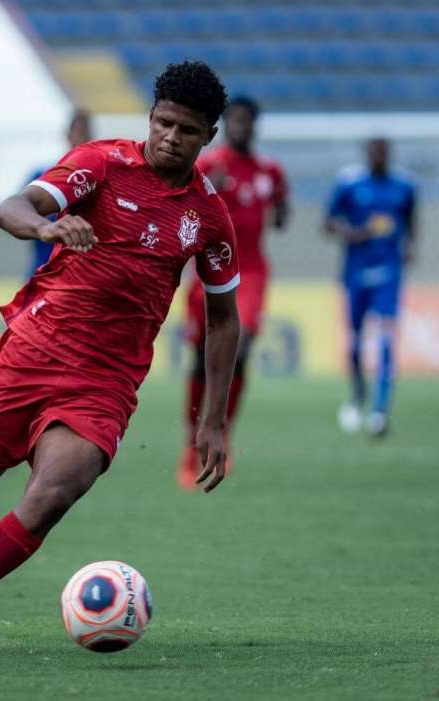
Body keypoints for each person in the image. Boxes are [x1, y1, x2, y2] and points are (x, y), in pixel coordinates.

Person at [0, 61, 240, 656]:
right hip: (31, 354)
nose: (170, 138)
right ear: (150, 117)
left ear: (208, 136)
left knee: (55, 493)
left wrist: (212, 420)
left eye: (186, 130)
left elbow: (224, 319)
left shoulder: (207, 216)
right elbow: (12, 206)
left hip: (104, 383)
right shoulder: (102, 163)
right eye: (163, 123)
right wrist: (45, 229)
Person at [176, 95, 289, 489]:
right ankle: (193, 444)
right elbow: (185, 208)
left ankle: (221, 434)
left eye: (247, 120)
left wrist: (281, 205)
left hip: (252, 272)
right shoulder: (208, 166)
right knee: (201, 359)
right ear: (226, 124)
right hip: (209, 271)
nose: (240, 126)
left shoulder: (270, 171)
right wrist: (210, 192)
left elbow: (281, 214)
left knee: (238, 352)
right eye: (234, 120)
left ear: (256, 125)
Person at [325, 137, 416, 437]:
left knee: (387, 336)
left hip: (389, 274)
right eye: (374, 152)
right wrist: (352, 232)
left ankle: (380, 409)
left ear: (389, 154)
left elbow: (411, 219)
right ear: (367, 154)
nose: (379, 157)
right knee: (355, 339)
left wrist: (410, 245)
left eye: (384, 152)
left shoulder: (404, 185)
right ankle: (357, 392)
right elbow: (328, 223)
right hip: (355, 274)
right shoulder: (350, 183)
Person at [24, 109, 93, 277]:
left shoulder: (95, 178)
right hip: (43, 264)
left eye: (84, 133)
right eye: (76, 132)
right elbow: (21, 210)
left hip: (80, 271)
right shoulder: (43, 174)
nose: (79, 138)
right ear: (67, 135)